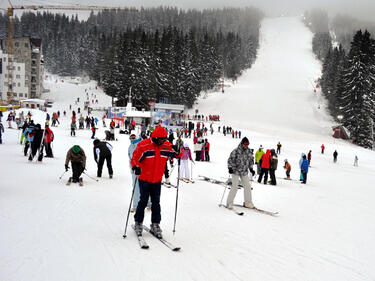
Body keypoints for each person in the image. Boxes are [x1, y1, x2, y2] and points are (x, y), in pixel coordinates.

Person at [131, 126, 180, 238]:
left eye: (164, 139)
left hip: (157, 180)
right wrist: (136, 167)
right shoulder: (144, 145)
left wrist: (178, 150)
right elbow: (135, 158)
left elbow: (177, 154)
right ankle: (138, 222)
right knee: (143, 201)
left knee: (156, 203)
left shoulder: (166, 146)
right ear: (155, 137)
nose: (163, 141)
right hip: (145, 179)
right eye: (161, 139)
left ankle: (155, 224)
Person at [227, 137, 255, 209]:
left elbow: (251, 161)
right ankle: (229, 203)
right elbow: (230, 160)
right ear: (242, 143)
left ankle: (248, 203)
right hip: (235, 171)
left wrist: (251, 169)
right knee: (235, 186)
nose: (246, 146)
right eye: (245, 144)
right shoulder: (236, 151)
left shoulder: (249, 151)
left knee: (247, 186)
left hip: (244, 171)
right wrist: (230, 168)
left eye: (247, 144)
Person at [128, 134, 151, 212]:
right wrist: (132, 168)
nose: (132, 139)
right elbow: (130, 159)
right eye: (131, 138)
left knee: (146, 187)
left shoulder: (142, 144)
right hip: (135, 171)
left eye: (133, 137)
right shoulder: (130, 147)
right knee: (136, 187)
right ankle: (136, 206)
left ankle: (149, 204)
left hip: (143, 170)